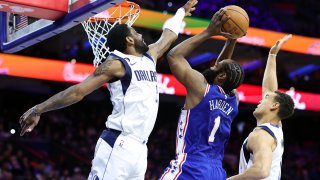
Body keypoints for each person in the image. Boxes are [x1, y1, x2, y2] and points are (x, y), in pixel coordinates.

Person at [18, 0, 198, 179]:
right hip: (118, 144)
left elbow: (169, 35)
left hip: (141, 149)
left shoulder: (150, 56)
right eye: (136, 32)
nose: (141, 35)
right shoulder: (116, 64)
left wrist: (181, 11)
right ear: (129, 40)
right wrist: (38, 109)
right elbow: (77, 92)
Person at [160, 9, 245, 180]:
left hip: (190, 166)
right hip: (216, 172)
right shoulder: (234, 100)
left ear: (220, 77)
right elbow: (223, 70)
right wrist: (231, 41)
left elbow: (174, 56)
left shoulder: (201, 88)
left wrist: (209, 32)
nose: (212, 65)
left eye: (215, 67)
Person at [227, 34, 295, 180]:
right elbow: (270, 91)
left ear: (275, 106)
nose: (260, 100)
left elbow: (261, 171)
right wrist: (272, 55)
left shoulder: (261, 135)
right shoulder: (276, 127)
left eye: (265, 98)